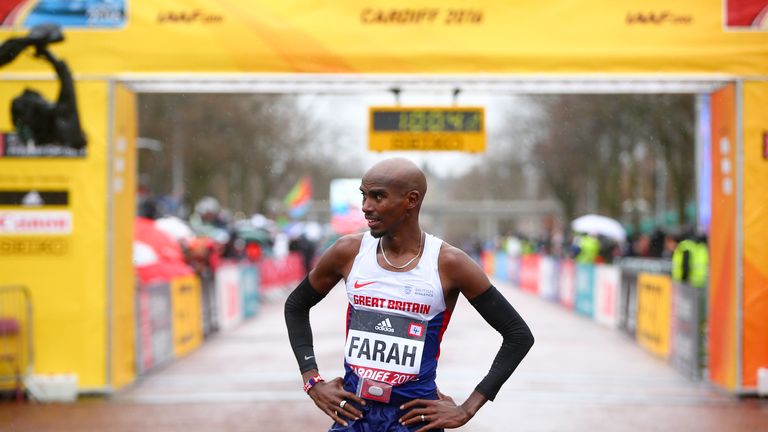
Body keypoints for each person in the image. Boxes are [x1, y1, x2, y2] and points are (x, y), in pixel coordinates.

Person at [284, 158, 534, 432]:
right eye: (364, 196)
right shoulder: (348, 251)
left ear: (411, 200)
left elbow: (517, 334)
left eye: (378, 196)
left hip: (414, 422)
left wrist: (467, 408)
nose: (366, 206)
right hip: (354, 418)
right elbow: (296, 305)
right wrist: (312, 380)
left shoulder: (449, 263)